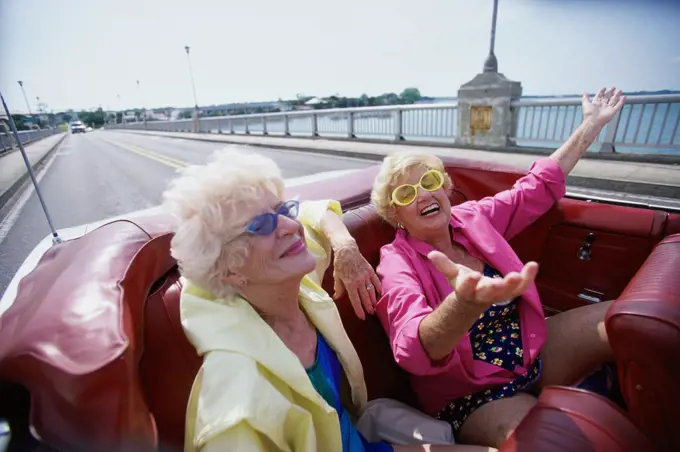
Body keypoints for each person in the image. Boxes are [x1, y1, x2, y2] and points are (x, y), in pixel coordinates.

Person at [162, 148, 495, 452]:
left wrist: (345, 245)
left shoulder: (290, 282)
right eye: (261, 225)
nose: (291, 226)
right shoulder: (236, 402)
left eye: (281, 210)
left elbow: (311, 211)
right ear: (230, 271)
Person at [369, 87, 626, 448]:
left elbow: (534, 189)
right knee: (555, 442)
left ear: (445, 186)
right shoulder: (396, 261)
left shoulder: (473, 217)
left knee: (626, 321)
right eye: (406, 194)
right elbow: (412, 349)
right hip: (473, 392)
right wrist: (464, 302)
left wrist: (590, 126)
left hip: (529, 348)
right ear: (395, 214)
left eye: (429, 182)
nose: (423, 195)